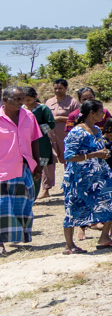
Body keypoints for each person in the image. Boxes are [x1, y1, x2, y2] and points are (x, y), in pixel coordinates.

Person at [61, 99, 112, 253]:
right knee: (74, 208)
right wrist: (94, 155)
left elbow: (100, 149)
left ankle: (104, 238)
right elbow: (69, 156)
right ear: (92, 113)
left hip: (100, 177)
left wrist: (104, 153)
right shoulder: (77, 132)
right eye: (101, 111)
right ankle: (69, 246)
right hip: (79, 178)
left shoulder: (96, 129)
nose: (103, 114)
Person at [1, 86, 41, 256]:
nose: (21, 103)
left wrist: (38, 164)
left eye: (22, 99)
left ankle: (20, 236)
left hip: (23, 167)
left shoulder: (29, 116)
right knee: (2, 206)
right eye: (17, 99)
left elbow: (34, 140)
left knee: (25, 203)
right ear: (5, 100)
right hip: (3, 169)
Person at [21, 87, 56, 201]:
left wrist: (35, 129)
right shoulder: (20, 109)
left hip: (40, 144)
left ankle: (33, 197)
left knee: (37, 170)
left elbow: (51, 124)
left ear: (35, 97)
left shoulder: (43, 108)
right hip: (24, 144)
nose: (26, 103)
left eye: (29, 100)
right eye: (24, 100)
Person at [45, 79, 77, 180]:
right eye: (55, 88)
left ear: (66, 88)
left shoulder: (72, 102)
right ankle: (46, 188)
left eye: (60, 88)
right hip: (50, 136)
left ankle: (69, 184)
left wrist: (61, 119)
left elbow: (78, 119)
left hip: (65, 136)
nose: (57, 91)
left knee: (68, 160)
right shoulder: (49, 102)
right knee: (48, 162)